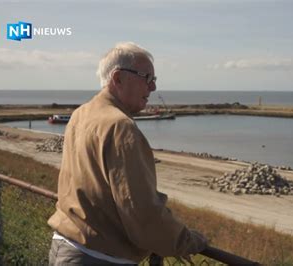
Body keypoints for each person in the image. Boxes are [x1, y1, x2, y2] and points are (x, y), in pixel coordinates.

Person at [48, 42, 207, 265]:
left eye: (154, 80)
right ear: (118, 78)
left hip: (65, 245)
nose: (152, 88)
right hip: (99, 257)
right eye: (147, 78)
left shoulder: (81, 113)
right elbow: (140, 210)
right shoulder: (120, 126)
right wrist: (186, 240)